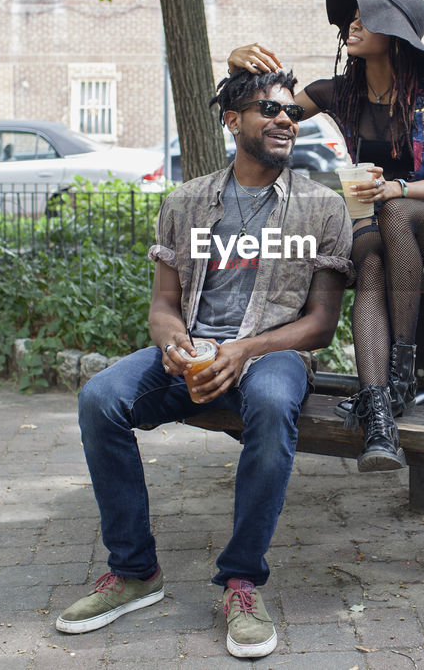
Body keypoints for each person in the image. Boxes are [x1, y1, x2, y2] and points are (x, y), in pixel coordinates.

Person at [56, 68, 353, 659]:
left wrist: (243, 350)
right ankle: (135, 571)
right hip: (192, 356)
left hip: (273, 355)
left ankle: (242, 581)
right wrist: (173, 343)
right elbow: (165, 304)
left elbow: (321, 323)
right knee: (99, 399)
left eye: (290, 111)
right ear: (232, 120)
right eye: (268, 109)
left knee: (270, 404)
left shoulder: (322, 208)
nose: (284, 120)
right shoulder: (186, 201)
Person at [228, 0, 424, 473]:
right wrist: (235, 63)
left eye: (367, 17)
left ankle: (400, 369)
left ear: (395, 33)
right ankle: (380, 415)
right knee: (371, 266)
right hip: (375, 221)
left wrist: (394, 189)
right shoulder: (340, 92)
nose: (352, 24)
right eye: (352, 16)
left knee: (395, 214)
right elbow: (266, 109)